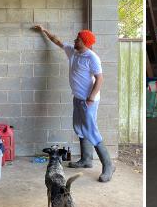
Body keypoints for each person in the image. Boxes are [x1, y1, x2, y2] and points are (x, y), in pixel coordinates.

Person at [33, 25, 115, 182]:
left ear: (84, 42)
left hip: (88, 101)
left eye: (77, 39)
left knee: (91, 131)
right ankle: (86, 160)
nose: (74, 40)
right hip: (77, 98)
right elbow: (57, 41)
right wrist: (44, 30)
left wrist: (91, 98)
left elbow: (100, 79)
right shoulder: (73, 52)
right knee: (79, 127)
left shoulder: (92, 58)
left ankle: (108, 166)